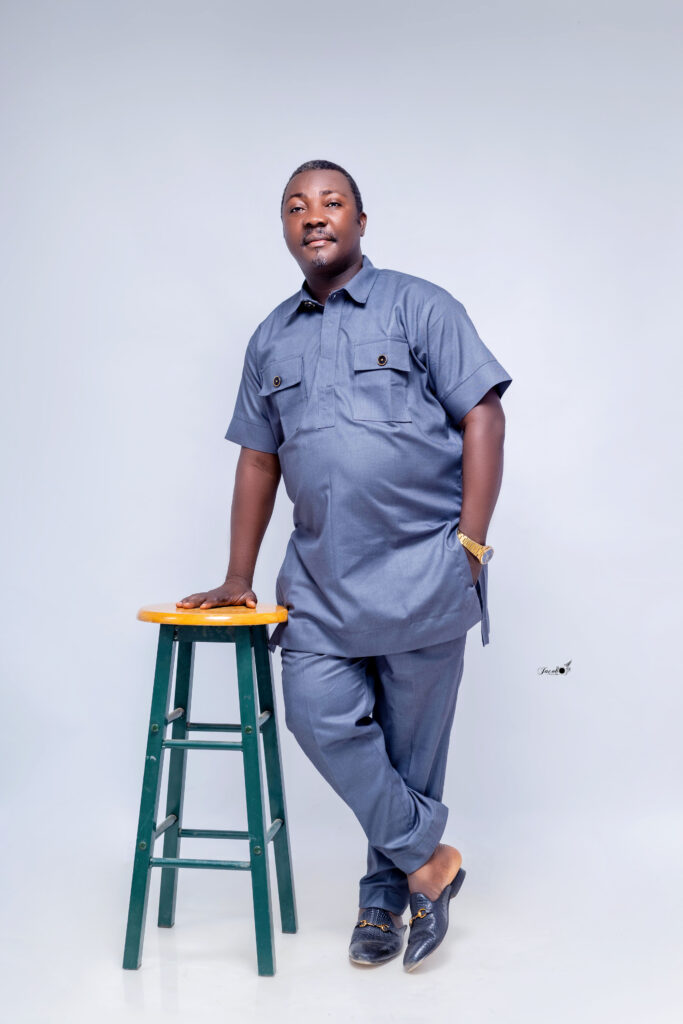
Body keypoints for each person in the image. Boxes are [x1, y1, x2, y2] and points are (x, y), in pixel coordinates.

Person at [177, 159, 512, 972]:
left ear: (361, 222)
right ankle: (430, 864)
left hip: (423, 573)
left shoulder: (420, 307)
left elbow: (483, 414)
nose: (313, 216)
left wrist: (469, 544)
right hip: (320, 586)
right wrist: (237, 575)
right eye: (296, 206)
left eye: (331, 203)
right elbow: (258, 458)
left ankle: (380, 904)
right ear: (285, 230)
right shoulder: (270, 338)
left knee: (409, 758)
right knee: (316, 715)